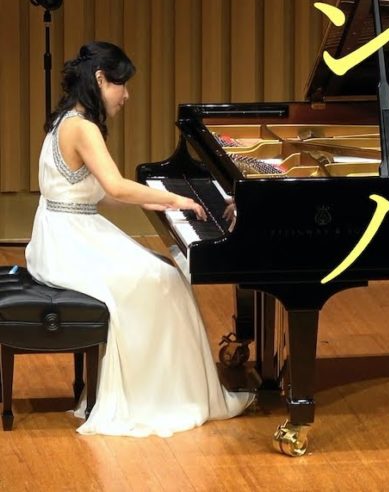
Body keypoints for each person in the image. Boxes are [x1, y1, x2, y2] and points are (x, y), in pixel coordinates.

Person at [25, 41, 253, 437]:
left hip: (64, 233)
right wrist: (174, 199)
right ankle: (160, 398)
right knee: (164, 280)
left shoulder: (67, 119)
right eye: (121, 84)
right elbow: (116, 186)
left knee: (165, 271)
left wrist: (157, 201)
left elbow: (100, 194)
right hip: (69, 241)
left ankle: (166, 389)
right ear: (100, 79)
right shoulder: (83, 128)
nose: (126, 95)